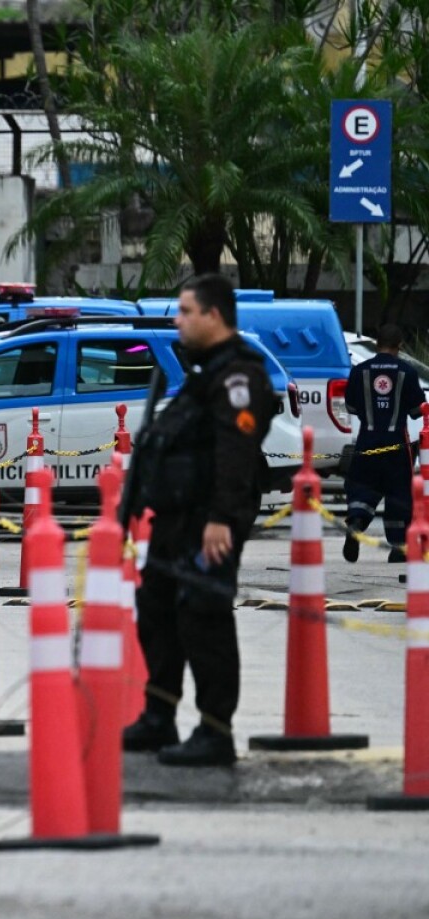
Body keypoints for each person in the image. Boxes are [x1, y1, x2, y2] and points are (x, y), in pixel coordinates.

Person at [121, 273, 276, 767]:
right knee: (158, 614)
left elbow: (237, 453)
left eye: (186, 311)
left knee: (203, 620)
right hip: (173, 520)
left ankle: (214, 731)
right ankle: (158, 716)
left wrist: (222, 519)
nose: (177, 319)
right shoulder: (203, 374)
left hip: (207, 523)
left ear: (213, 315)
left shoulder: (238, 377)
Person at [342, 323, 425, 564]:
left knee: (362, 489)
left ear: (376, 343)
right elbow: (416, 411)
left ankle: (356, 523)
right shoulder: (406, 372)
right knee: (399, 494)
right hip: (397, 445)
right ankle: (399, 547)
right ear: (399, 346)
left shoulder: (360, 371)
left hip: (367, 442)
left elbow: (350, 407)